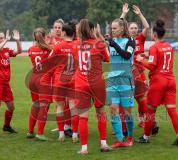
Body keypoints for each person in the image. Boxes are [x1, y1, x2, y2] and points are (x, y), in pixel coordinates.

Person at [135, 19, 178, 146]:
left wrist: (140, 60)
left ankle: (145, 137)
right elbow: (161, 61)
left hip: (158, 81)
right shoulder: (168, 46)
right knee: (172, 110)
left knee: (150, 110)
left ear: (154, 34)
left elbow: (152, 66)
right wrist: (147, 57)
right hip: (171, 80)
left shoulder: (153, 47)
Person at [74, 19, 112, 154]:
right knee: (100, 113)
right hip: (96, 82)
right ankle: (104, 143)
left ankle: (84, 148)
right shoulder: (99, 44)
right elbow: (107, 59)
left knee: (82, 116)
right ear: (92, 30)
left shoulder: (75, 45)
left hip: (80, 83)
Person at [106, 18, 136, 148]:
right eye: (111, 28)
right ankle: (119, 139)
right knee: (113, 110)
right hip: (112, 80)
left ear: (122, 29)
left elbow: (127, 56)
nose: (112, 30)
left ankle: (129, 137)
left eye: (115, 28)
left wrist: (114, 45)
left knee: (127, 112)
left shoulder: (130, 41)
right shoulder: (111, 42)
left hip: (126, 80)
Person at [120, 3, 150, 128]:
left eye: (135, 28)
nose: (133, 29)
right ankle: (123, 124)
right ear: (128, 30)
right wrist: (124, 13)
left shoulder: (140, 39)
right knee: (125, 100)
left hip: (140, 73)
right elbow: (118, 25)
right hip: (127, 73)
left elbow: (147, 27)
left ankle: (143, 120)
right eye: (131, 28)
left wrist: (140, 14)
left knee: (142, 99)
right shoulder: (124, 39)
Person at [0, 30, 22, 138]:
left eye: (3, 37)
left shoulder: (6, 50)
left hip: (6, 83)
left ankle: (6, 126)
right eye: (0, 38)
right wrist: (6, 40)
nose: (2, 39)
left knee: (11, 107)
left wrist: (17, 41)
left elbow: (19, 51)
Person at [50, 21, 79, 142]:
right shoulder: (78, 44)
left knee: (60, 106)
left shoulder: (58, 46)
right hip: (73, 79)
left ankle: (61, 134)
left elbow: (50, 61)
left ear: (64, 32)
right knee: (73, 107)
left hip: (60, 80)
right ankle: (75, 134)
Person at [26, 28, 53, 141]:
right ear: (44, 35)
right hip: (44, 80)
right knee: (44, 106)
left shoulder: (30, 49)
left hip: (33, 79)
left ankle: (30, 131)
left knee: (36, 105)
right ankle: (40, 133)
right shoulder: (48, 49)